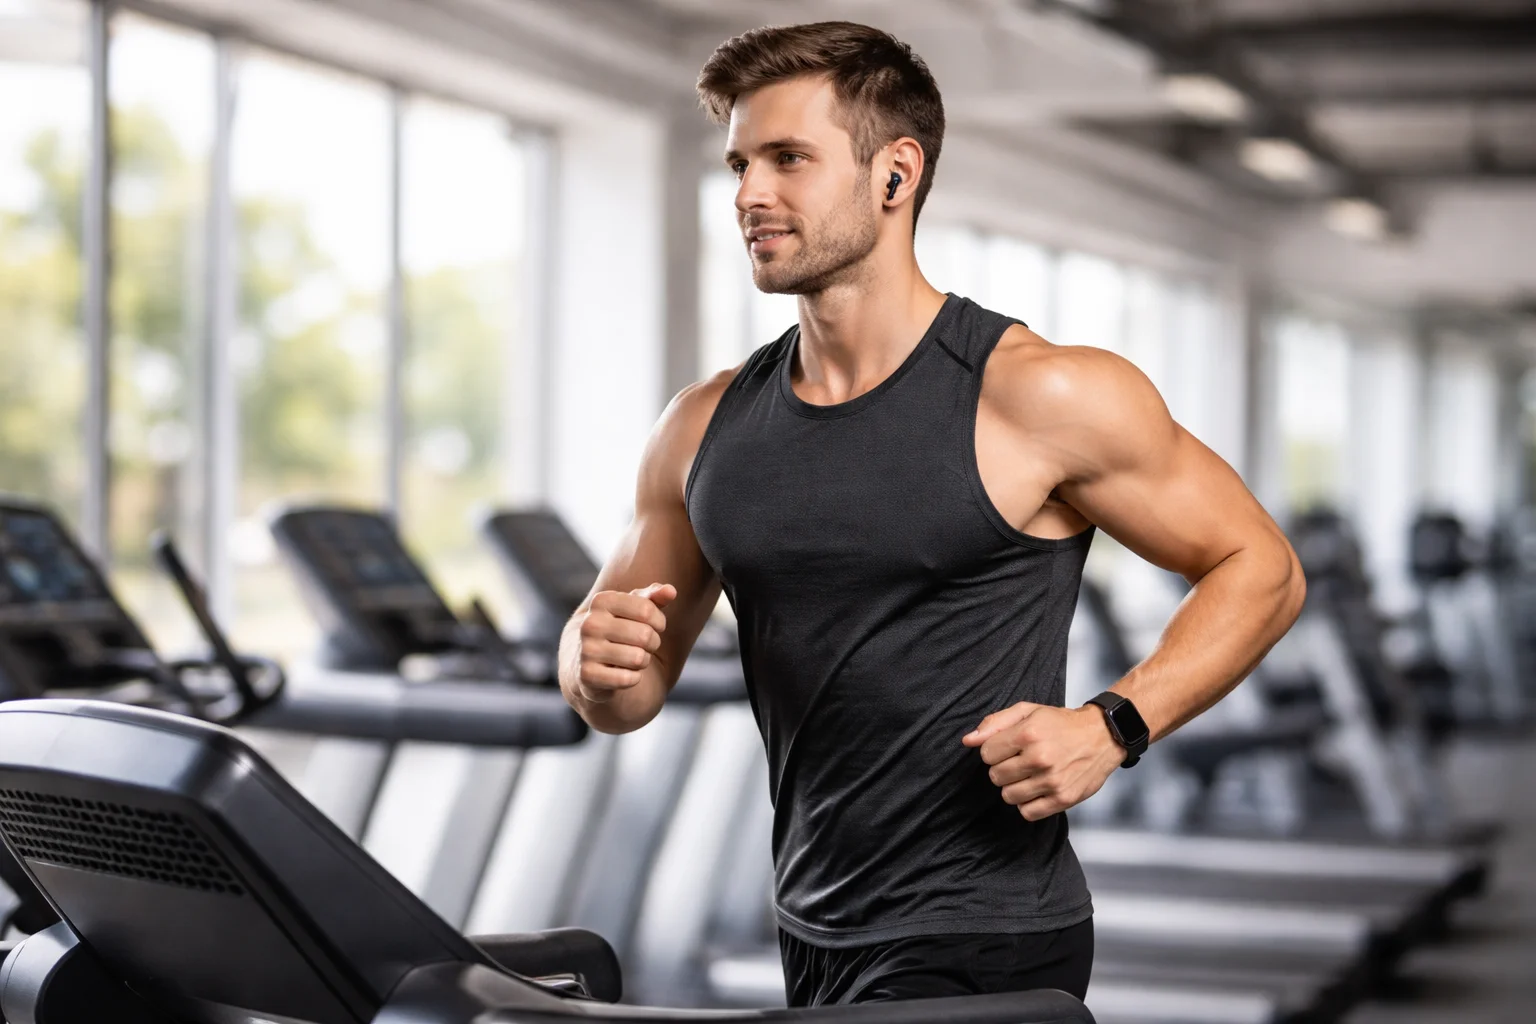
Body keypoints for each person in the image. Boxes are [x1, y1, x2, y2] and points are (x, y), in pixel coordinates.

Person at [557, 20, 1306, 1008]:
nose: (747, 193)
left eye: (788, 158)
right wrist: (585, 658)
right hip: (812, 926)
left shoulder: (1038, 395)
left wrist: (1113, 725)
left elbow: (1263, 568)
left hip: (985, 934)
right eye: (740, 164)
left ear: (895, 175)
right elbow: (624, 696)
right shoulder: (702, 428)